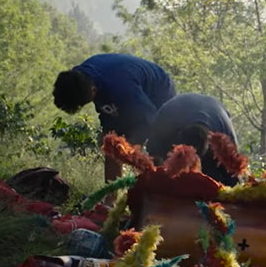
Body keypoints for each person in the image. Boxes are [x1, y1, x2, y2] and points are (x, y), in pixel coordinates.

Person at [52, 54, 176, 182]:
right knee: (111, 145)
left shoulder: (120, 87)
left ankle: (156, 187)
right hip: (124, 89)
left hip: (158, 91)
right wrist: (109, 138)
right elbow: (106, 111)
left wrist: (130, 147)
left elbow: (149, 119)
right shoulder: (79, 79)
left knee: (153, 147)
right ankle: (111, 196)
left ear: (93, 90)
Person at [146, 93, 240, 186]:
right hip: (176, 115)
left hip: (214, 114)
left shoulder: (224, 134)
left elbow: (234, 173)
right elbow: (153, 156)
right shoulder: (165, 123)